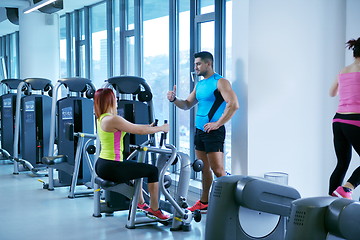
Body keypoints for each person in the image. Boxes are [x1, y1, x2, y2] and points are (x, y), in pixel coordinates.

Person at [167, 51, 239, 212]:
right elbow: (186, 105)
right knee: (203, 168)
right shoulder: (199, 85)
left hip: (214, 133)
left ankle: (231, 204)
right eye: (195, 64)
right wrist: (174, 99)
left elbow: (233, 104)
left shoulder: (220, 82)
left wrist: (217, 124)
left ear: (208, 64)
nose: (196, 67)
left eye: (198, 64)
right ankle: (205, 202)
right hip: (199, 131)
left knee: (218, 170)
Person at [94, 88, 170, 220]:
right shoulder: (113, 119)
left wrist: (150, 126)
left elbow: (132, 126)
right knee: (152, 171)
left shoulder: (102, 118)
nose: (117, 100)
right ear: (109, 101)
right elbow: (138, 130)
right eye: (114, 98)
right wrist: (161, 128)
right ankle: (155, 209)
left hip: (103, 164)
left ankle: (140, 203)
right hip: (112, 166)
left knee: (136, 167)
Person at [329, 37, 360, 200]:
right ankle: (347, 188)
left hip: (338, 120)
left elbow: (332, 92)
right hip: (355, 121)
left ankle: (329, 204)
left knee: (341, 164)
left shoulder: (344, 70)